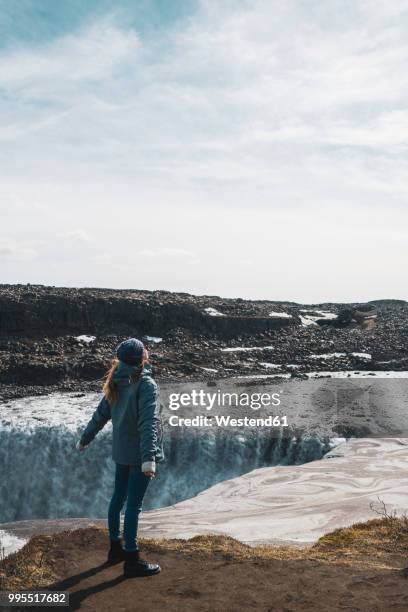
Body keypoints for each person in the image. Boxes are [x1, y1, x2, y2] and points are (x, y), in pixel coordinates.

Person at [76, 337, 164, 577]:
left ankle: (116, 549)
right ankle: (132, 560)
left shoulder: (116, 380)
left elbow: (100, 414)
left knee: (117, 499)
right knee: (134, 506)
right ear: (141, 358)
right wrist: (149, 458)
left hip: (121, 452)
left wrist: (86, 438)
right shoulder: (145, 384)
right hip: (139, 454)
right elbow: (148, 423)